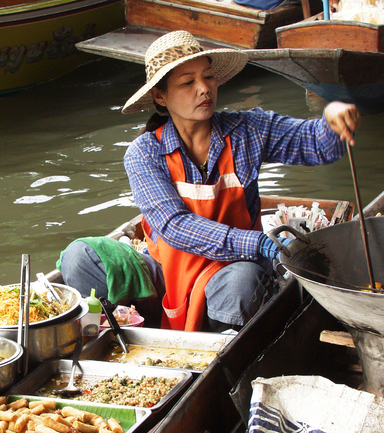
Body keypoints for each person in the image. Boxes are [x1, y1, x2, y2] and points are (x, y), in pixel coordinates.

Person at [58, 30, 360, 332]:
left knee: (242, 284)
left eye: (209, 76)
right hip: (167, 270)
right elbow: (175, 226)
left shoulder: (247, 130)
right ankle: (125, 327)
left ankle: (217, 344)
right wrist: (259, 243)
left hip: (231, 269)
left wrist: (332, 120)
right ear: (160, 96)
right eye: (188, 82)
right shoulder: (145, 152)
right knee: (79, 256)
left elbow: (315, 144)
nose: (204, 89)